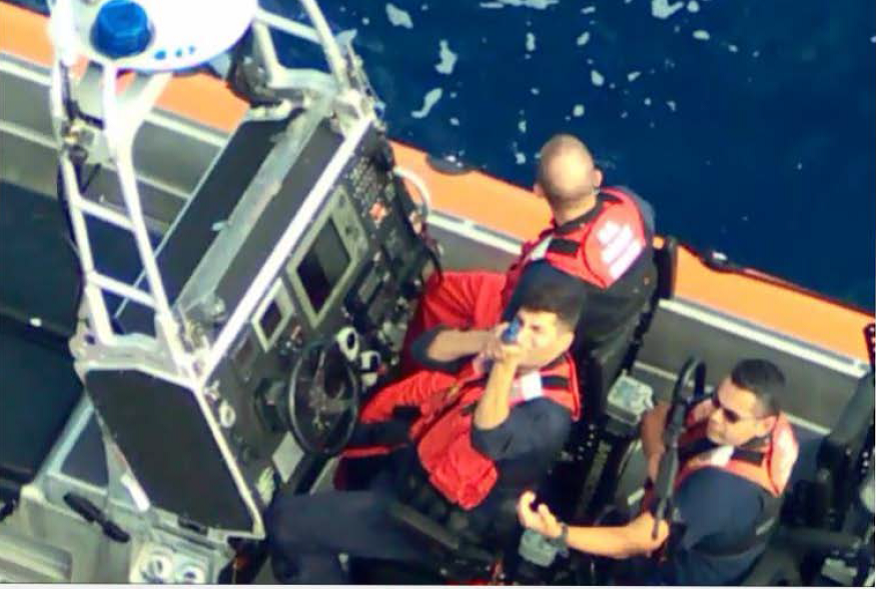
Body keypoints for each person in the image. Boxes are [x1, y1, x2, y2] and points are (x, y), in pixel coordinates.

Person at [266, 277, 583, 584]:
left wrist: (504, 365)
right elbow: (423, 350)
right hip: (410, 478)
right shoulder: (506, 348)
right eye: (521, 323)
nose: (521, 337)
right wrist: (483, 340)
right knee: (355, 438)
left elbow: (487, 437)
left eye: (537, 330)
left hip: (429, 529)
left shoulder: (549, 414)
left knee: (288, 523)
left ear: (564, 341)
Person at [403, 133, 656, 417]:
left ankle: (411, 370)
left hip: (548, 336)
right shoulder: (630, 205)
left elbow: (511, 328)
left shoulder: (548, 272)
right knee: (451, 289)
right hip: (608, 322)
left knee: (439, 295)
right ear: (596, 178)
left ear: (538, 191)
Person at [516, 359, 799, 586]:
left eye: (731, 416)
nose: (715, 417)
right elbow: (657, 416)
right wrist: (656, 458)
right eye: (716, 401)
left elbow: (637, 540)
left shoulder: (718, 489)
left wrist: (559, 532)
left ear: (764, 425)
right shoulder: (757, 425)